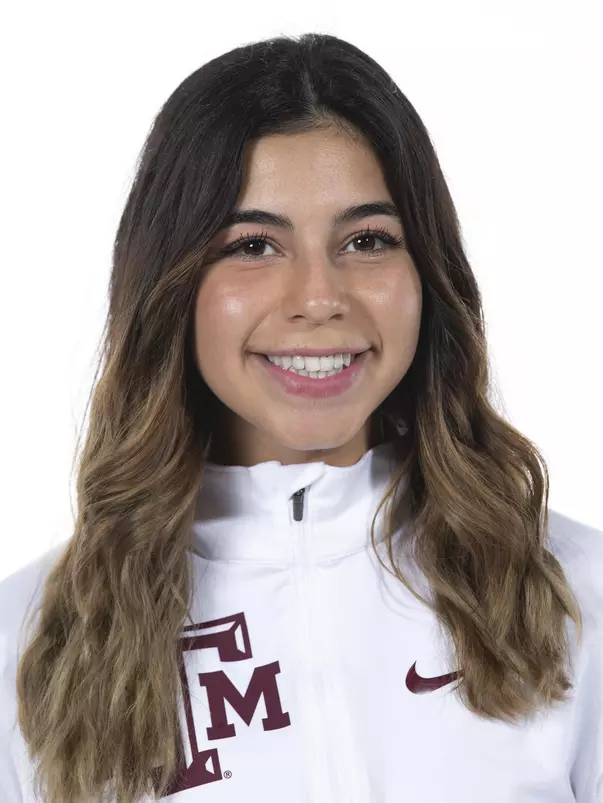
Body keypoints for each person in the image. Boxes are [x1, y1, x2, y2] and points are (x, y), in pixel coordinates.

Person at [0, 31, 601, 803]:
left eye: (366, 240)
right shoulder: (28, 644)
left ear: (427, 273)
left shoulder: (572, 593)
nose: (318, 297)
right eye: (253, 245)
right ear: (170, 286)